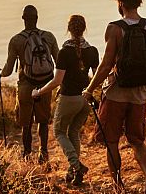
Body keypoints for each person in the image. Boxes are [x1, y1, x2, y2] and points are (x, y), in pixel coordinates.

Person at [81, 0, 146, 194]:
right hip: (140, 95)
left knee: (112, 141)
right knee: (137, 141)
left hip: (116, 94)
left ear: (120, 3)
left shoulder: (115, 29)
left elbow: (105, 65)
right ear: (138, 2)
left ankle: (119, 187)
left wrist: (90, 89)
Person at [32, 15, 99, 185]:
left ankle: (77, 166)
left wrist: (38, 91)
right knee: (73, 133)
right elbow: (97, 77)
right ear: (84, 28)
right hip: (85, 100)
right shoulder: (93, 51)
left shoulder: (64, 52)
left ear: (69, 29)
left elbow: (57, 81)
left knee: (59, 132)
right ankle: (73, 173)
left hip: (69, 98)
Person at [0, 5, 59, 162]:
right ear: (37, 18)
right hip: (45, 85)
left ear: (23, 19)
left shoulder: (16, 40)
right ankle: (43, 154)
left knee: (26, 123)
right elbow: (59, 61)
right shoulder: (49, 37)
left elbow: (9, 69)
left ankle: (27, 154)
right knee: (43, 122)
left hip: (25, 85)